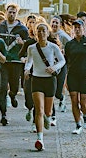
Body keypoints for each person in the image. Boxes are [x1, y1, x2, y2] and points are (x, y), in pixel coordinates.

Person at [24, 22, 66, 150]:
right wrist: (27, 69)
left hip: (49, 81)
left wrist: (54, 67)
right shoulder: (31, 48)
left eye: (44, 31)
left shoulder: (53, 47)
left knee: (47, 111)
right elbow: (29, 60)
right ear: (35, 33)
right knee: (39, 110)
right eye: (39, 31)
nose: (41, 33)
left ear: (47, 33)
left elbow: (62, 61)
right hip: (36, 80)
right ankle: (40, 139)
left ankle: (48, 117)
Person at [0, 3, 29, 125]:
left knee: (14, 86)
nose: (11, 14)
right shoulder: (0, 27)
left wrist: (22, 43)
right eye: (10, 12)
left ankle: (13, 95)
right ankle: (3, 115)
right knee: (2, 87)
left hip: (16, 61)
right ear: (6, 12)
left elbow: (28, 45)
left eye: (14, 12)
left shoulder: (22, 29)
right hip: (3, 61)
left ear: (17, 13)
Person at [19, 15, 38, 132]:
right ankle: (29, 109)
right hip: (28, 74)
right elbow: (20, 55)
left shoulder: (49, 44)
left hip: (41, 75)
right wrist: (24, 59)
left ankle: (36, 122)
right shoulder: (29, 44)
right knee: (28, 99)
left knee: (38, 99)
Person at [50, 15, 72, 114]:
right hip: (50, 65)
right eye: (53, 22)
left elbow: (72, 46)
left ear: (60, 25)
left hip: (62, 65)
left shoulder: (63, 35)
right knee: (51, 89)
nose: (54, 24)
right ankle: (51, 112)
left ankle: (62, 99)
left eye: (56, 23)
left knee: (58, 92)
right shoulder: (48, 34)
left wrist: (65, 52)